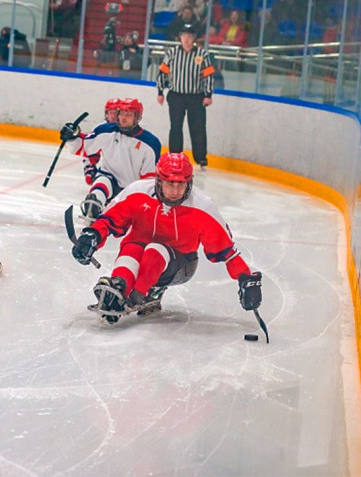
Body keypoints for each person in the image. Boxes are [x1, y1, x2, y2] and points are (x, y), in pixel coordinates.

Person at [71, 152, 263, 324]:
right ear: (159, 180)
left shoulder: (203, 207)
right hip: (140, 252)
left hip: (180, 265)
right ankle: (120, 286)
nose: (175, 190)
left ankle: (137, 295)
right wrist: (92, 236)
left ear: (190, 182)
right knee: (132, 247)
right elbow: (110, 219)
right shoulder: (137, 191)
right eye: (170, 183)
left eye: (181, 184)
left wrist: (246, 278)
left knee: (155, 249)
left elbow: (226, 251)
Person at [59, 98, 161, 221]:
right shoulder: (106, 131)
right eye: (121, 114)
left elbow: (148, 180)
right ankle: (94, 206)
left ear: (137, 117)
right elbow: (83, 146)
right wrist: (72, 136)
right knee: (100, 183)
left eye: (128, 115)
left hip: (132, 187)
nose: (123, 118)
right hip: (109, 177)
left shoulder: (151, 144)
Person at [157, 22, 214, 168]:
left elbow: (208, 75)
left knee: (198, 127)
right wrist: (160, 91)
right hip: (176, 95)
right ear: (180, 37)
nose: (187, 39)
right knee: (175, 126)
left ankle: (200, 157)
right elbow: (163, 72)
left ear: (194, 38)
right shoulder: (172, 53)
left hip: (196, 96)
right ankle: (175, 155)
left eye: (189, 36)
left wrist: (208, 94)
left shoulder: (202, 54)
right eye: (184, 36)